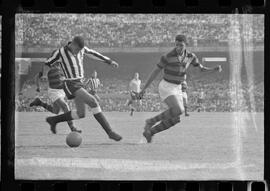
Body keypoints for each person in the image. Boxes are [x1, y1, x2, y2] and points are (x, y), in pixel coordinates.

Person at [139, 34, 222, 143]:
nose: (178, 47)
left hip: (177, 88)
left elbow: (201, 69)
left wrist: (213, 69)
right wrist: (144, 89)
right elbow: (155, 72)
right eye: (177, 45)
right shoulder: (167, 56)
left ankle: (150, 132)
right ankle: (150, 121)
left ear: (186, 45)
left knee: (175, 118)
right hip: (166, 86)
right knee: (179, 110)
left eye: (181, 45)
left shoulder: (191, 56)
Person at [44, 36, 122, 141]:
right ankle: (110, 132)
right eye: (76, 49)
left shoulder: (82, 49)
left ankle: (53, 120)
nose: (77, 52)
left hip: (80, 82)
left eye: (80, 51)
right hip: (71, 83)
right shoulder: (60, 53)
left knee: (81, 114)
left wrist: (109, 61)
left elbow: (94, 54)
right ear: (73, 44)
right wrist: (45, 76)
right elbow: (47, 63)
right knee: (93, 102)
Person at [29, 61, 81, 133]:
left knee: (55, 111)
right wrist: (38, 86)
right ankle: (72, 128)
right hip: (54, 91)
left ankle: (39, 102)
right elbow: (37, 76)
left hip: (62, 92)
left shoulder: (64, 69)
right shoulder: (49, 69)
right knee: (65, 106)